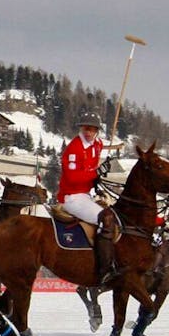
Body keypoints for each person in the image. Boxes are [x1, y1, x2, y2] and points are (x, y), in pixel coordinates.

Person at [57, 112, 116, 285]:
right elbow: (73, 177)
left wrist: (100, 174)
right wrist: (96, 172)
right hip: (72, 197)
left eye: (91, 129)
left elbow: (92, 170)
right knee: (106, 219)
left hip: (87, 194)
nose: (88, 132)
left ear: (97, 130)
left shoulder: (97, 144)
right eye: (85, 128)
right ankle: (104, 269)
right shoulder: (74, 148)